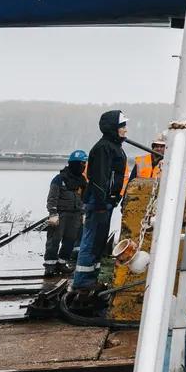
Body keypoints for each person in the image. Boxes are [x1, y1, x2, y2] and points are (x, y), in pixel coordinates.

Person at [70, 111, 130, 305]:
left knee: (98, 242)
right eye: (122, 126)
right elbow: (99, 178)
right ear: (113, 128)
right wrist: (102, 201)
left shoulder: (114, 147)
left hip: (107, 202)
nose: (125, 129)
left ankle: (91, 278)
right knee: (91, 240)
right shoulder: (104, 148)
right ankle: (83, 281)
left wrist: (114, 198)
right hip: (99, 203)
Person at [45, 151, 88, 272]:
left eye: (84, 163)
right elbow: (52, 197)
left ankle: (62, 263)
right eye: (81, 163)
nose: (83, 166)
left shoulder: (82, 181)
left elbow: (85, 198)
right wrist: (53, 213)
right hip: (60, 214)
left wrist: (84, 212)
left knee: (70, 241)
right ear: (74, 163)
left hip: (75, 215)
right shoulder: (59, 179)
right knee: (54, 240)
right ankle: (49, 265)